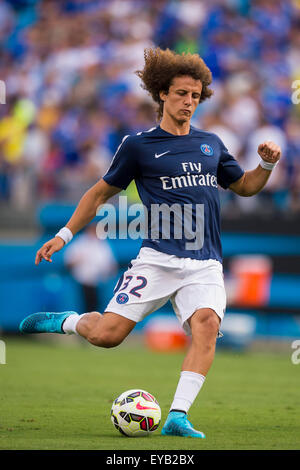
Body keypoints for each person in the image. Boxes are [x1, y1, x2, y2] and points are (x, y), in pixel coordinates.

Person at [19, 47, 281, 438]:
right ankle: (68, 322)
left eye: (195, 95)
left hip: (205, 263)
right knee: (108, 336)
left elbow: (244, 186)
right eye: (181, 94)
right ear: (162, 93)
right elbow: (97, 195)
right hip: (157, 260)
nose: (189, 101)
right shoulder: (139, 145)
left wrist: (265, 165)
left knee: (206, 326)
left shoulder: (210, 144)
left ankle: (177, 416)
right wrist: (63, 235)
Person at [64, 224, 118, 313]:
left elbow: (109, 263)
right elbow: (69, 261)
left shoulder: (103, 244)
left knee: (95, 305)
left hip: (97, 281)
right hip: (82, 281)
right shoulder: (80, 243)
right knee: (86, 305)